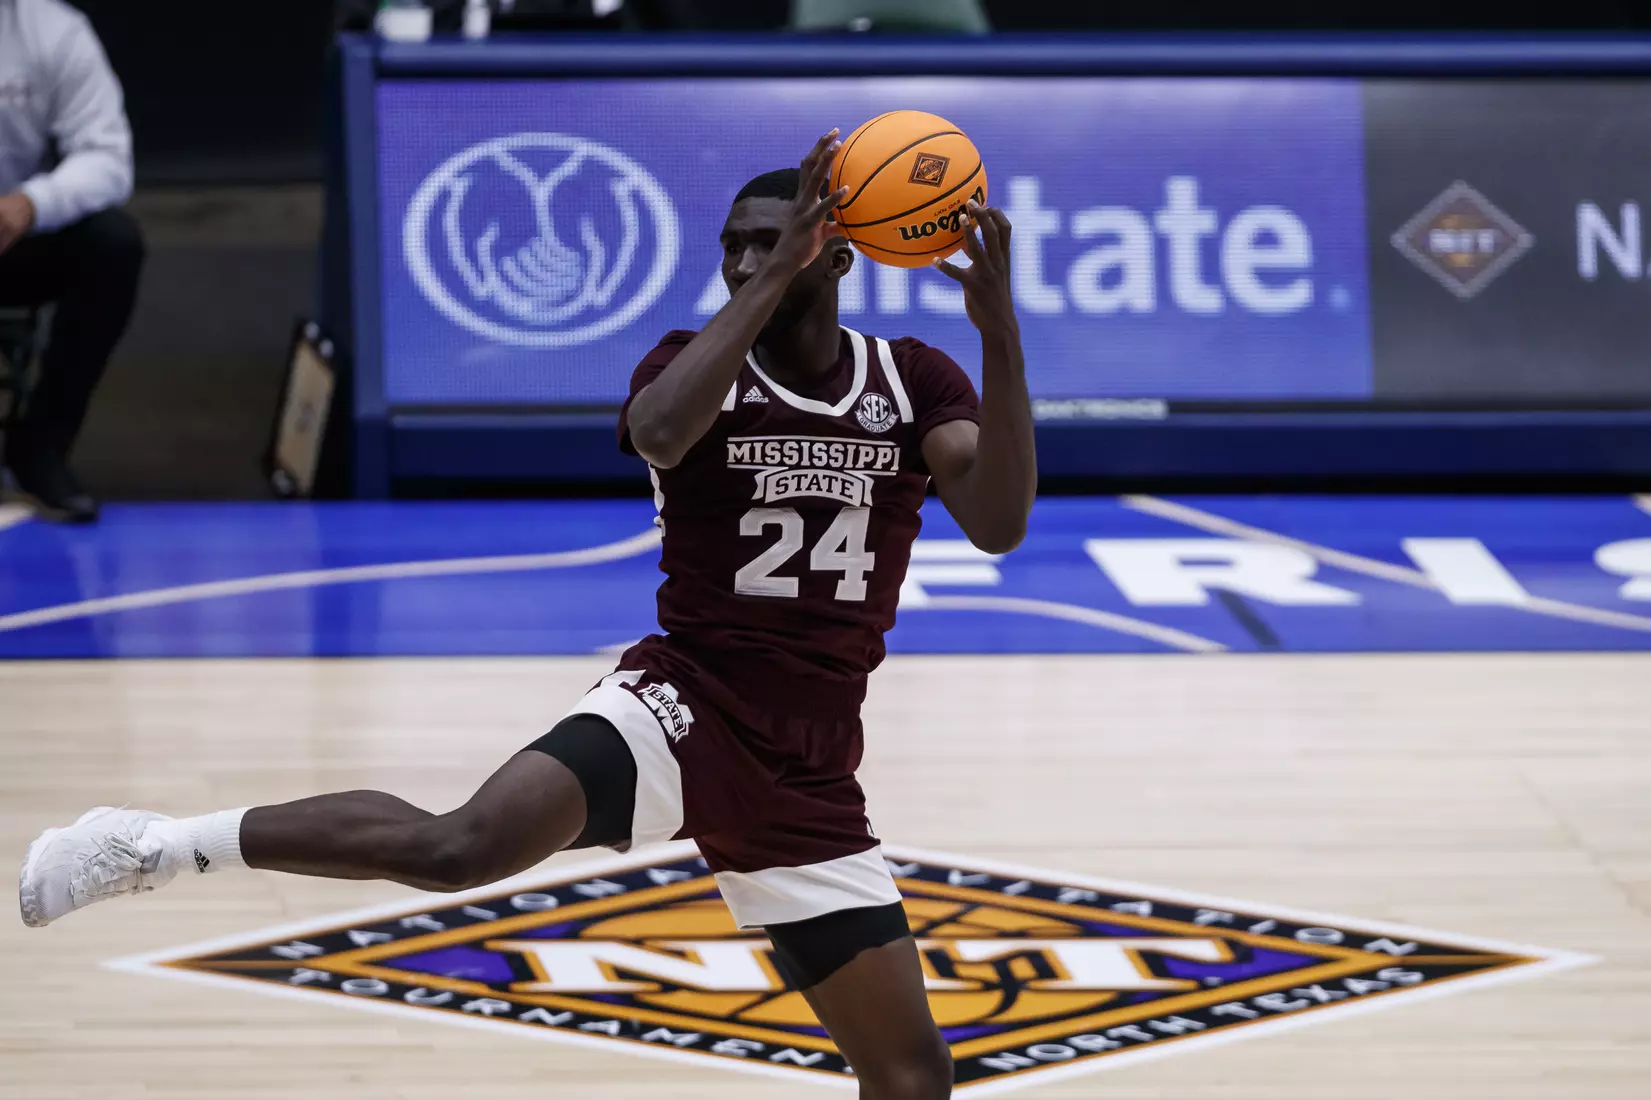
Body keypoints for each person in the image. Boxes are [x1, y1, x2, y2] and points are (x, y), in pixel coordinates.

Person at [19, 130, 1035, 1098]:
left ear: (838, 254)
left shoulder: (910, 380)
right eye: (731, 247)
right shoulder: (687, 363)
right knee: (459, 846)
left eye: (767, 243)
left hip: (808, 766)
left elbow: (996, 520)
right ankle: (156, 843)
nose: (740, 261)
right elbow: (662, 432)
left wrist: (1001, 341)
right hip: (685, 705)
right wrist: (778, 272)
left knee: (910, 1070)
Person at [0, 0, 145, 523]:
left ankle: (40, 446)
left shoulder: (53, 31)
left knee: (112, 244)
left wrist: (29, 205)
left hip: (9, 240)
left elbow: (108, 159)